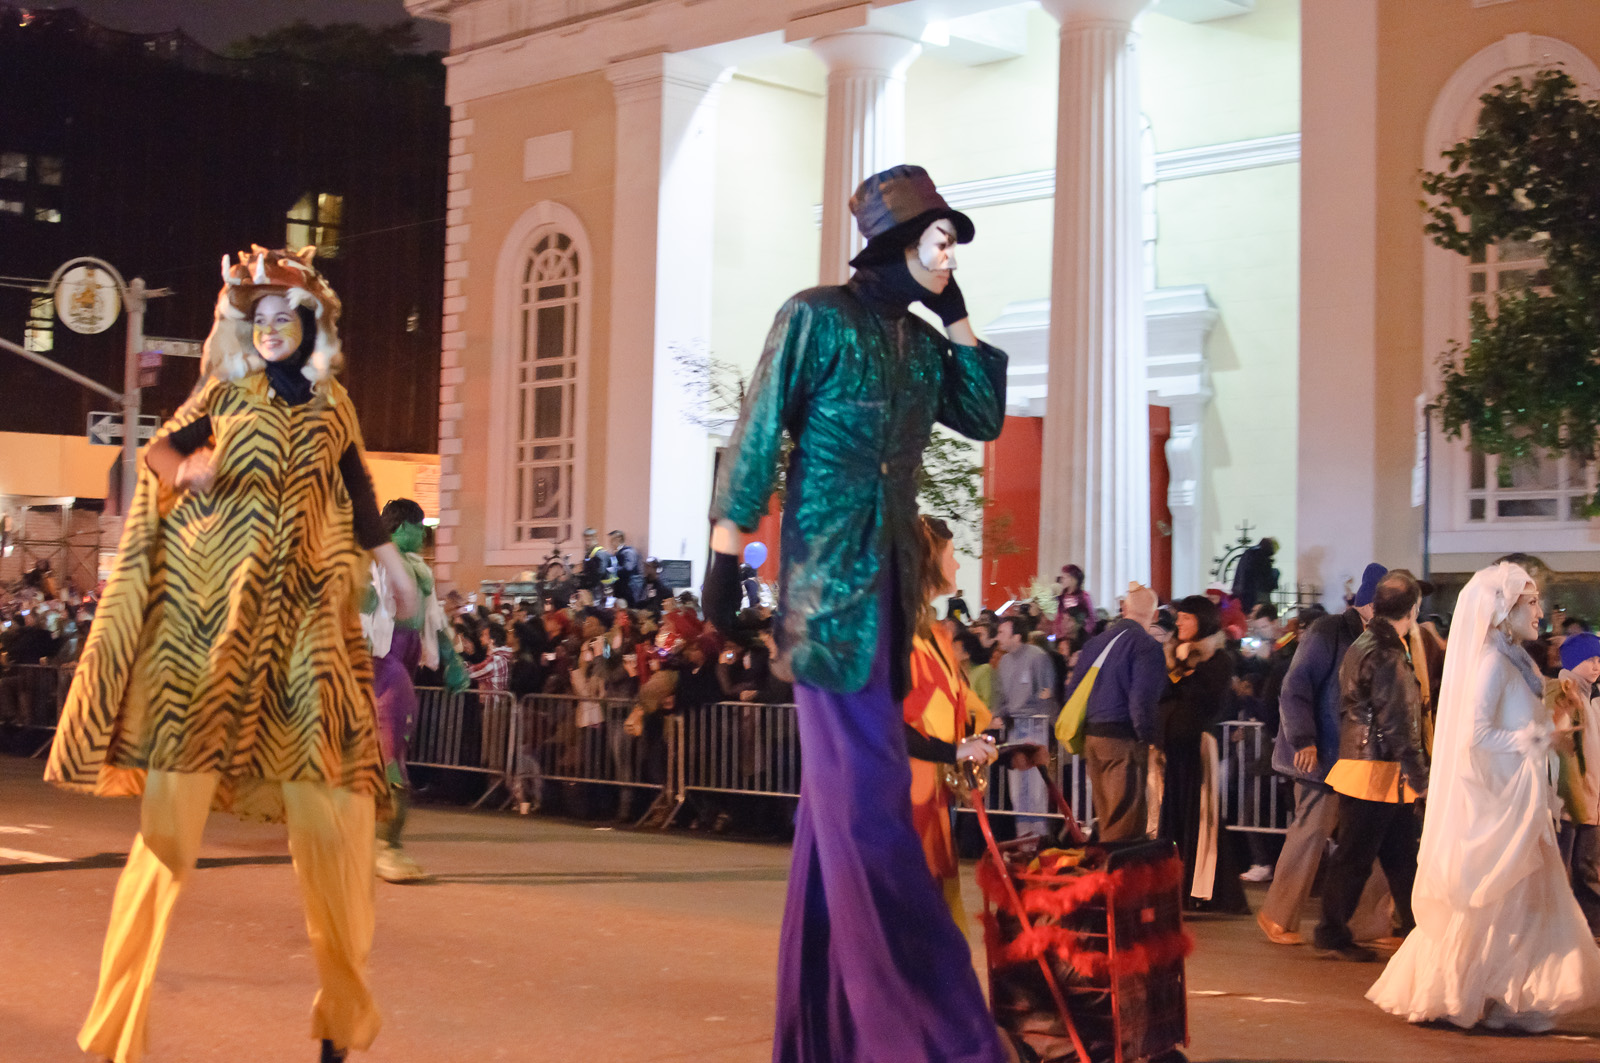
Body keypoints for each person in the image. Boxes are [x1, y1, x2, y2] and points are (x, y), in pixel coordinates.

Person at [45, 246, 415, 1063]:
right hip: (206, 645)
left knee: (336, 820)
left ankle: (340, 1021)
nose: (273, 330)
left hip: (299, 649)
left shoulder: (335, 410)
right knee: (166, 838)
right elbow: (157, 454)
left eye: (287, 318)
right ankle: (117, 1034)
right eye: (262, 320)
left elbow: (356, 494)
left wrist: (388, 560)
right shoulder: (224, 394)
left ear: (310, 328)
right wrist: (190, 468)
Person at [702, 164, 1008, 1063]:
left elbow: (984, 414)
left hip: (889, 590)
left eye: (953, 245)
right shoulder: (814, 315)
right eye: (938, 241)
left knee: (836, 819)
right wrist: (726, 553)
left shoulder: (920, 344)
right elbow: (759, 428)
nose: (949, 256)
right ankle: (930, 1036)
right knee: (869, 807)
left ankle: (822, 1038)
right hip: (827, 598)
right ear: (893, 243)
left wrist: (957, 318)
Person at [1369, 562, 1600, 1026]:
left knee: (1524, 902)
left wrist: (1549, 724)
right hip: (1496, 805)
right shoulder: (1493, 660)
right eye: (1530, 603)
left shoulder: (1514, 656)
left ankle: (1508, 995)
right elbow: (1476, 734)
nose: (1540, 613)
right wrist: (1536, 740)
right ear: (1502, 609)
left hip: (1520, 798)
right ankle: (1471, 991)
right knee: (1498, 901)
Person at [1257, 562, 1393, 946]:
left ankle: (1372, 923)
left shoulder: (1385, 639)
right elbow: (1296, 686)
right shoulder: (1329, 630)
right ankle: (1277, 914)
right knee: (1311, 832)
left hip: (1366, 756)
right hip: (1327, 754)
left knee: (1374, 839)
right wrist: (1304, 739)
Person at [1312, 571, 1428, 961]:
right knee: (1358, 857)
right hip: (1378, 770)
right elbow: (1398, 720)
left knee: (1394, 855)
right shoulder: (1390, 652)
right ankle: (1332, 931)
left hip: (1365, 764)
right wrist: (1420, 775)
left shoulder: (1366, 642)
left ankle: (1417, 926)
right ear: (1413, 608)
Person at [360, 498, 467, 884]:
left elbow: (434, 619)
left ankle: (373, 840)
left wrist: (454, 663)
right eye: (418, 526)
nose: (423, 534)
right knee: (392, 745)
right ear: (401, 525)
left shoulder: (419, 568)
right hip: (380, 656)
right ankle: (386, 844)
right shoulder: (371, 558)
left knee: (385, 744)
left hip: (404, 653)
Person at [903, 516, 999, 930]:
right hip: (906, 795)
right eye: (952, 555)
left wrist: (989, 740)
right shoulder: (903, 637)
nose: (957, 564)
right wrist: (954, 749)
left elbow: (971, 708)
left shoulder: (936, 637)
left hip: (934, 794)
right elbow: (894, 721)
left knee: (940, 900)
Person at [1158, 594, 1244, 911]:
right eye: (1178, 617)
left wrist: (1185, 670)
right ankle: (1171, 885)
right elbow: (1162, 696)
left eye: (1186, 617)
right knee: (1173, 816)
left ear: (1202, 621)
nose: (1179, 622)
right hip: (1172, 749)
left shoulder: (1217, 659)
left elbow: (1206, 701)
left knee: (1201, 817)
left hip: (1197, 747)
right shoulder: (1169, 656)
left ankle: (1200, 889)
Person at [1064, 582, 1167, 842]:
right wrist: (1151, 738)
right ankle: (1116, 879)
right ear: (1155, 616)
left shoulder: (1095, 643)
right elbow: (1141, 701)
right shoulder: (1147, 647)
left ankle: (1103, 877)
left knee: (1107, 815)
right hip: (1122, 739)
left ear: (1124, 609)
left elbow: (1073, 692)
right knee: (1125, 824)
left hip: (1092, 738)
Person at [1546, 631, 1600, 936]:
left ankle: (1589, 927)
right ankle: (1563, 929)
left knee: (1588, 866)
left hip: (1592, 797)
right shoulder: (1564, 692)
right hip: (1568, 798)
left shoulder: (1594, 697)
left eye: (1599, 659)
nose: (1596, 665)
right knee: (1564, 866)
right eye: (1590, 658)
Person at [995, 613, 1059, 838]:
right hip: (1014, 728)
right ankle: (1023, 837)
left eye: (1002, 632)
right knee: (1017, 788)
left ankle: (1039, 836)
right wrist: (998, 716)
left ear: (1017, 635)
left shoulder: (1037, 657)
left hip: (1035, 727)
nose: (998, 637)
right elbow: (1001, 698)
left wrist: (1049, 729)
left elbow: (1047, 694)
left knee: (1035, 787)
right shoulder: (1003, 662)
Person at [1230, 537, 1280, 612]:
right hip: (1256, 596)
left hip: (1243, 594)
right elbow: (1266, 581)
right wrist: (1275, 574)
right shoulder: (1262, 556)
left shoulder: (1249, 553)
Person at [1055, 564, 1093, 638]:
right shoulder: (1061, 597)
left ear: (1073, 579)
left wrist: (1084, 632)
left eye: (1064, 577)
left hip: (1079, 638)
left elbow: (1091, 619)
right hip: (1063, 638)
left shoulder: (1084, 597)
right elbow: (1058, 618)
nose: (1062, 580)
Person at [610, 529, 644, 605]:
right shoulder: (619, 552)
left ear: (618, 539)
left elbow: (628, 568)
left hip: (628, 589)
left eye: (612, 540)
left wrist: (613, 569)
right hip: (622, 588)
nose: (611, 543)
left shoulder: (628, 552)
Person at [578, 527, 616, 596]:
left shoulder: (600, 554)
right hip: (596, 590)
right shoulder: (589, 554)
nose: (587, 543)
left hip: (602, 591)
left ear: (595, 539)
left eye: (589, 540)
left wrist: (585, 583)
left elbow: (599, 573)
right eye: (585, 540)